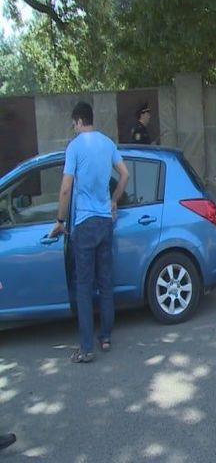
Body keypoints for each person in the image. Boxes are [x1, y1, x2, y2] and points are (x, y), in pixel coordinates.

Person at [49, 102, 129, 363]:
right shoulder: (107, 143)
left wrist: (60, 220)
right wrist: (113, 200)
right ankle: (105, 337)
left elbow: (65, 189)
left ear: (79, 121)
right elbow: (125, 174)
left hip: (84, 224)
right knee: (105, 282)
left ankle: (86, 348)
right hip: (105, 222)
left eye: (74, 124)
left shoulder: (74, 147)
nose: (74, 128)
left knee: (84, 287)